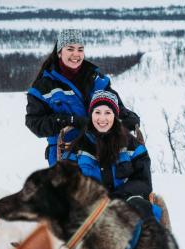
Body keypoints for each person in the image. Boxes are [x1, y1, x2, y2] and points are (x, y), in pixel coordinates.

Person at [26, 29, 140, 166]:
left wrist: (128, 116)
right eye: (70, 49)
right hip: (67, 153)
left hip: (102, 149)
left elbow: (114, 106)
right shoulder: (43, 87)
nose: (76, 54)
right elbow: (35, 122)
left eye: (80, 49)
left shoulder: (96, 79)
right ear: (59, 52)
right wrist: (69, 120)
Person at [63, 90, 157, 221]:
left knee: (142, 208)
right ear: (91, 115)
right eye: (97, 112)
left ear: (115, 115)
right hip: (91, 208)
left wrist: (116, 197)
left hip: (125, 203)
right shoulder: (78, 146)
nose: (102, 118)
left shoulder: (131, 144)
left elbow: (143, 182)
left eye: (108, 112)